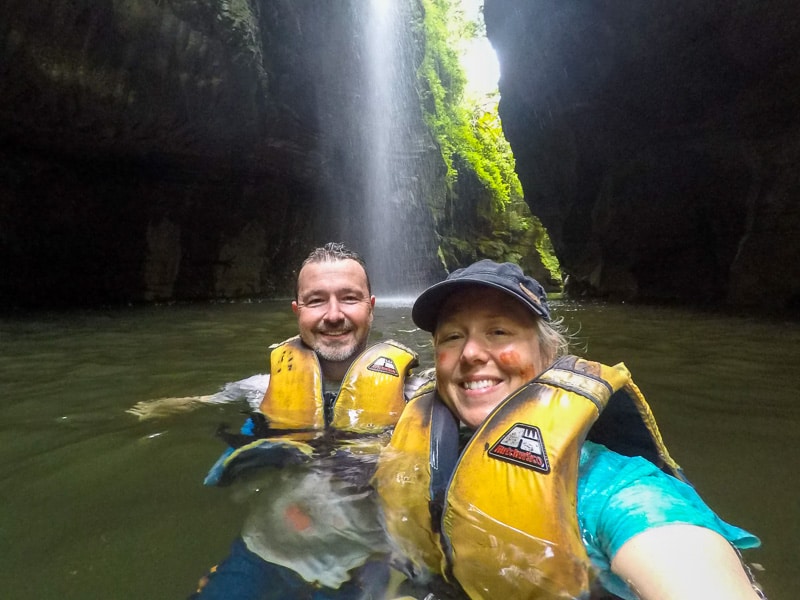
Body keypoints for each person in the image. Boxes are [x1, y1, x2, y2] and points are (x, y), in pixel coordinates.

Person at [373, 259, 766, 600]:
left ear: (548, 355)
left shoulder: (612, 488)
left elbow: (673, 545)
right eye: (453, 337)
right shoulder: (421, 446)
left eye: (499, 332)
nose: (472, 353)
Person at [191, 242, 431, 599]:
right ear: (297, 311)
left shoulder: (418, 395)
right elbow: (194, 402)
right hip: (267, 549)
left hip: (365, 567)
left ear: (371, 307)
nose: (333, 315)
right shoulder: (262, 388)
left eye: (349, 298)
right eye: (317, 300)